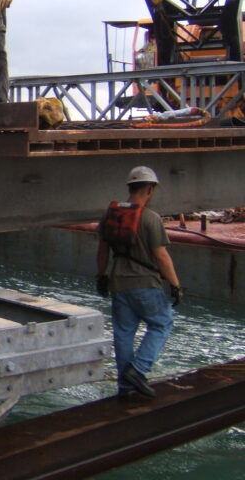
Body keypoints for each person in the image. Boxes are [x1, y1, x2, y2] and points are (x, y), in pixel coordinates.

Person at [96, 165, 183, 399]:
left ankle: (125, 387)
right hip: (146, 284)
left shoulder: (111, 214)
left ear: (130, 187)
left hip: (119, 284)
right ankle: (139, 369)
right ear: (150, 189)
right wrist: (175, 285)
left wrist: (102, 276)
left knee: (124, 333)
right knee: (161, 324)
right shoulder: (151, 218)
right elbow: (161, 256)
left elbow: (103, 250)